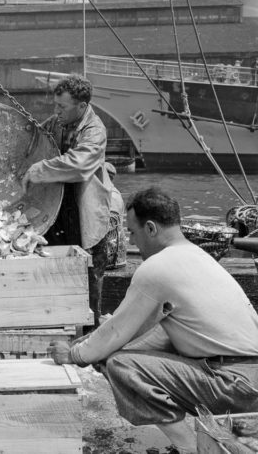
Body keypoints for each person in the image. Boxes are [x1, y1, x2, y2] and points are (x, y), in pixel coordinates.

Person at [49, 187, 258, 454]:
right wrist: (95, 344)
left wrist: (75, 354)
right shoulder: (197, 257)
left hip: (235, 385)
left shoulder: (158, 268)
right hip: (247, 379)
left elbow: (115, 333)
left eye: (133, 234)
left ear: (150, 228)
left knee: (121, 365)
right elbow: (156, 334)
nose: (134, 243)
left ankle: (194, 448)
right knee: (117, 354)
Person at [21, 74, 113, 326]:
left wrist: (38, 170)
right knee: (53, 272)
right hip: (56, 213)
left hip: (85, 213)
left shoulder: (94, 130)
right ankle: (58, 327)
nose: (56, 111)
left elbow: (79, 164)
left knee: (88, 279)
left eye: (62, 106)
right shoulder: (56, 123)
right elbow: (34, 141)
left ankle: (90, 335)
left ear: (81, 106)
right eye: (55, 105)